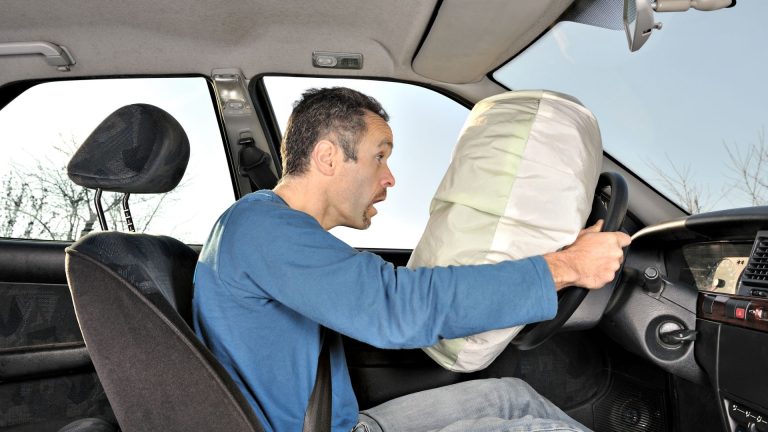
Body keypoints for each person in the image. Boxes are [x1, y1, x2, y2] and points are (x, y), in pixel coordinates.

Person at [193, 87, 631, 432]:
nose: (390, 177)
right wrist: (566, 266)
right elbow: (396, 307)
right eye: (379, 155)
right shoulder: (261, 228)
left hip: (346, 424)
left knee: (511, 397)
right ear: (328, 157)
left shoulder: (274, 231)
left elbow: (381, 297)